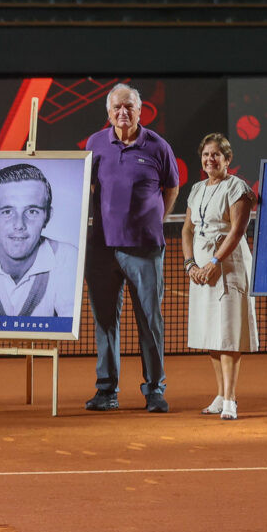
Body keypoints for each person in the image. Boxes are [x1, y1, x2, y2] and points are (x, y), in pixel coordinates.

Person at [83, 84, 179, 413]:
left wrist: (155, 220)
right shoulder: (95, 144)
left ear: (140, 110)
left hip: (145, 250)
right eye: (116, 108)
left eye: (129, 107)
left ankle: (154, 389)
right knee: (104, 321)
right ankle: (106, 391)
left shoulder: (158, 147)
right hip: (101, 250)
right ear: (108, 113)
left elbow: (172, 187)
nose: (123, 113)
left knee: (150, 320)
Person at [180, 134, 257, 421]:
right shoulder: (197, 188)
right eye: (206, 155)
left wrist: (214, 262)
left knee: (228, 334)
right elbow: (187, 229)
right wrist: (191, 265)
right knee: (209, 334)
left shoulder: (238, 188)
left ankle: (231, 399)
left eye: (216, 155)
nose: (210, 159)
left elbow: (237, 231)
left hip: (229, 267)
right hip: (201, 271)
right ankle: (220, 393)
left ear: (227, 159)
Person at [0, 164, 79, 318]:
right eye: (7, 212)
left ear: (47, 217)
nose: (19, 225)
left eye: (32, 211)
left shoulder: (68, 257)